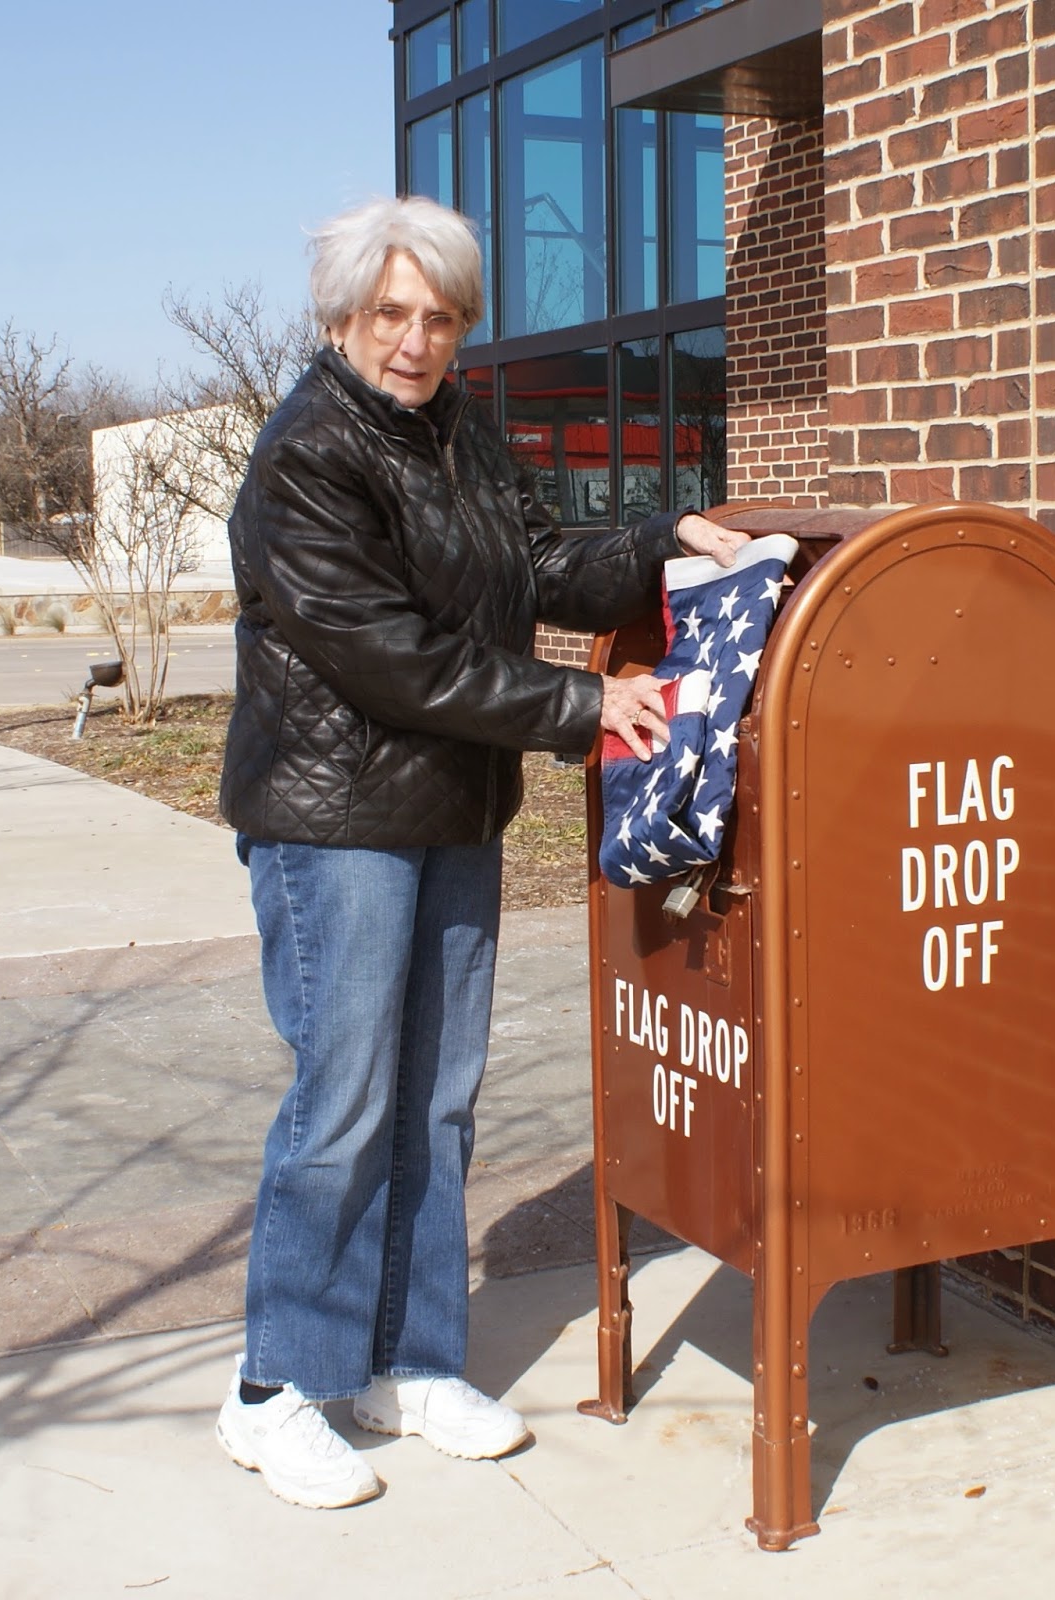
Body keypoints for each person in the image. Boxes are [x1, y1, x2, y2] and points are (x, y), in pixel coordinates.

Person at [213, 194, 747, 1509]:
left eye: (441, 318)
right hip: (335, 826)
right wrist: (582, 705)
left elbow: (539, 562)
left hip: (452, 810)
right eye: (392, 314)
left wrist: (663, 542)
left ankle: (408, 1362)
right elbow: (390, 656)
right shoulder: (306, 457)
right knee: (343, 1105)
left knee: (438, 1100)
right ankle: (277, 1389)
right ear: (342, 317)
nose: (416, 340)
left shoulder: (457, 430)